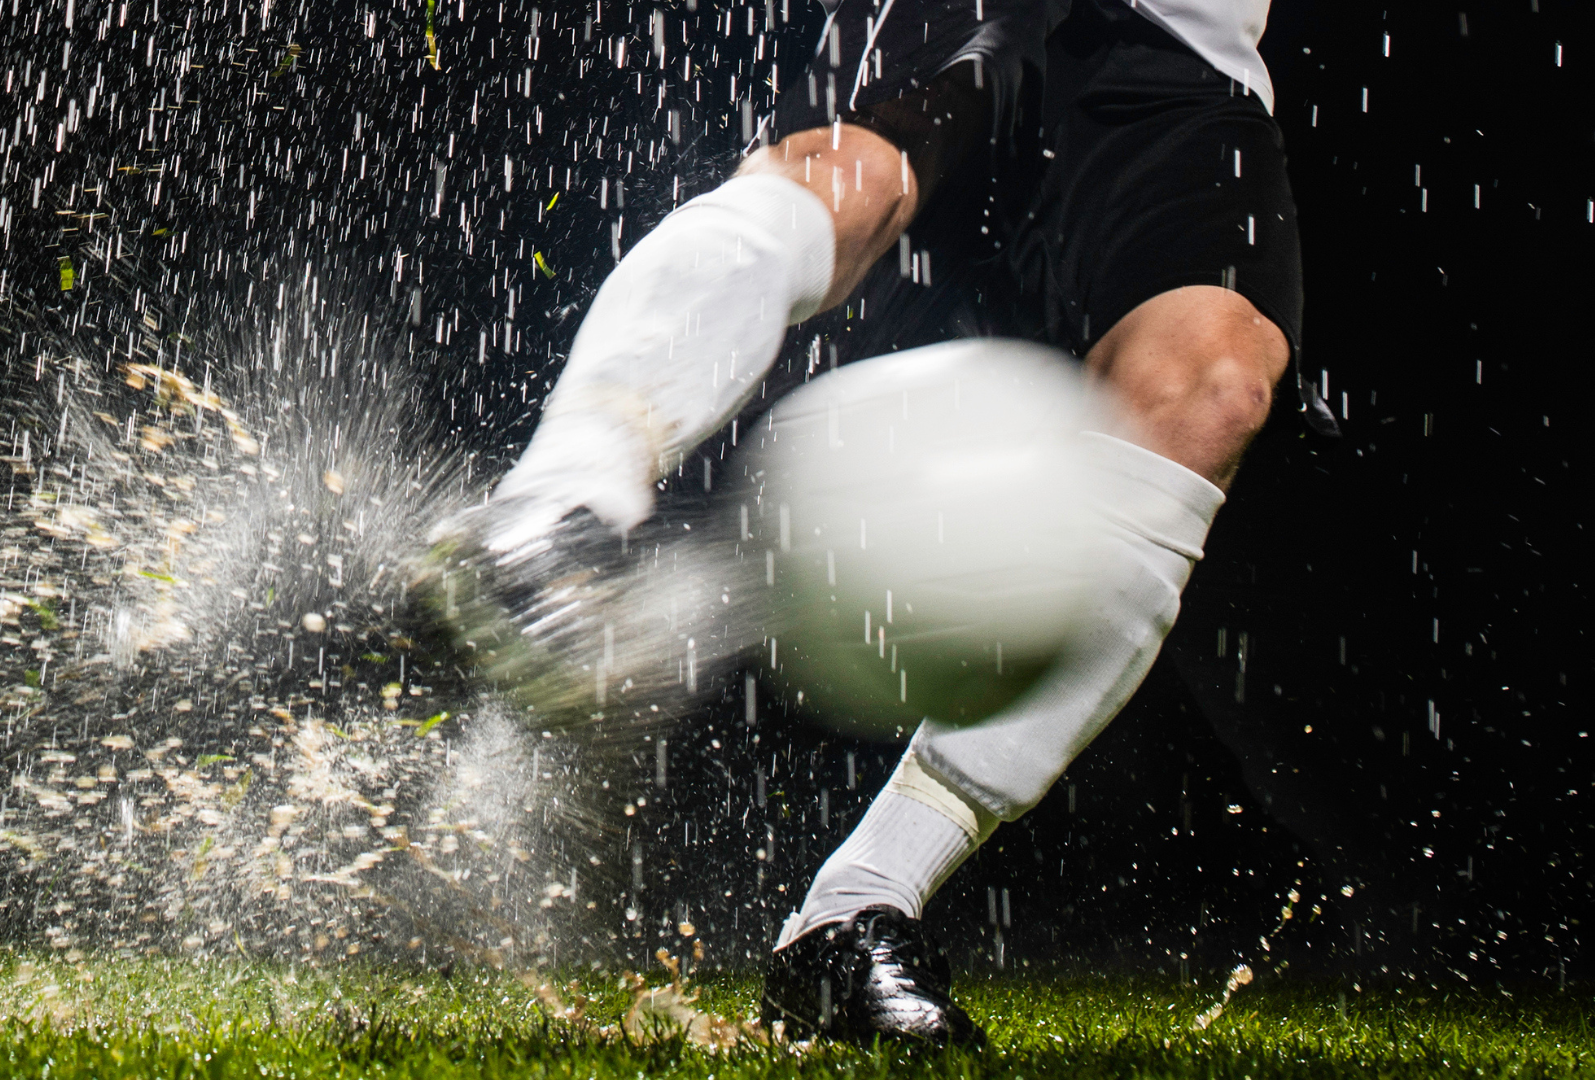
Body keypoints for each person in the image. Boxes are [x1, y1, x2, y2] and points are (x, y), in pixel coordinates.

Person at [458, 0, 1301, 1047]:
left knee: (1213, 386)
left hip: (1183, 43)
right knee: (854, 179)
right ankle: (551, 517)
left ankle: (851, 916)